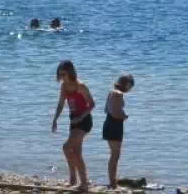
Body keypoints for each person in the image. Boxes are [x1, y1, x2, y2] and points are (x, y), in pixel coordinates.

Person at [52, 60, 95, 191]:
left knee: (67, 147)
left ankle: (80, 181)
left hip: (84, 121)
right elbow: (61, 104)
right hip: (73, 121)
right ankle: (78, 181)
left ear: (70, 72)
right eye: (60, 74)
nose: (62, 77)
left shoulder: (80, 86)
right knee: (77, 152)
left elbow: (92, 104)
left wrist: (81, 117)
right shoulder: (64, 86)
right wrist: (55, 119)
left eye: (63, 74)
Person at [103, 74, 135, 188]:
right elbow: (114, 112)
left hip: (109, 124)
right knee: (115, 155)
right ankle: (112, 182)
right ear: (126, 84)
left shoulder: (111, 92)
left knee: (114, 154)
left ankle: (112, 180)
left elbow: (106, 109)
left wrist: (121, 115)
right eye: (130, 86)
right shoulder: (118, 94)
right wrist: (124, 116)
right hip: (114, 125)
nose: (130, 89)